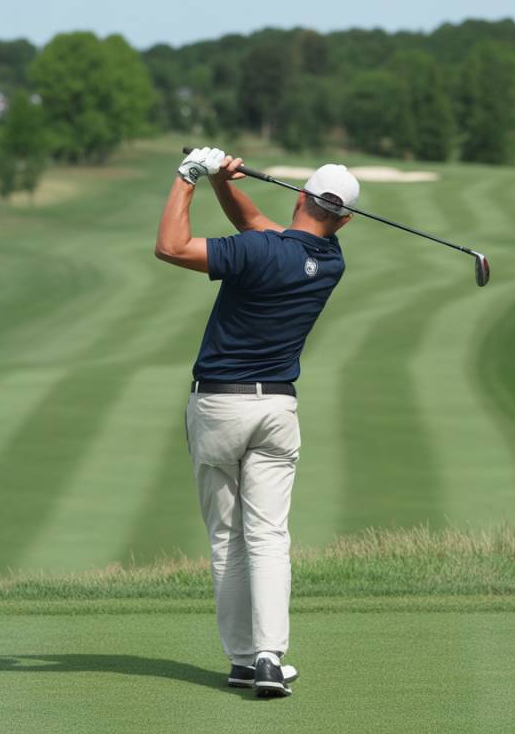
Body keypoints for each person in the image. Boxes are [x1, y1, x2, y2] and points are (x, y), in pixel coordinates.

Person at [155, 146, 359, 698]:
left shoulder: (259, 252)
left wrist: (188, 177)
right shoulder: (330, 260)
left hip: (219, 406)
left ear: (299, 196)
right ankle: (269, 659)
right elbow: (255, 223)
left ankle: (242, 659)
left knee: (228, 539)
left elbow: (170, 246)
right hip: (277, 411)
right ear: (342, 220)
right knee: (268, 537)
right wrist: (226, 182)